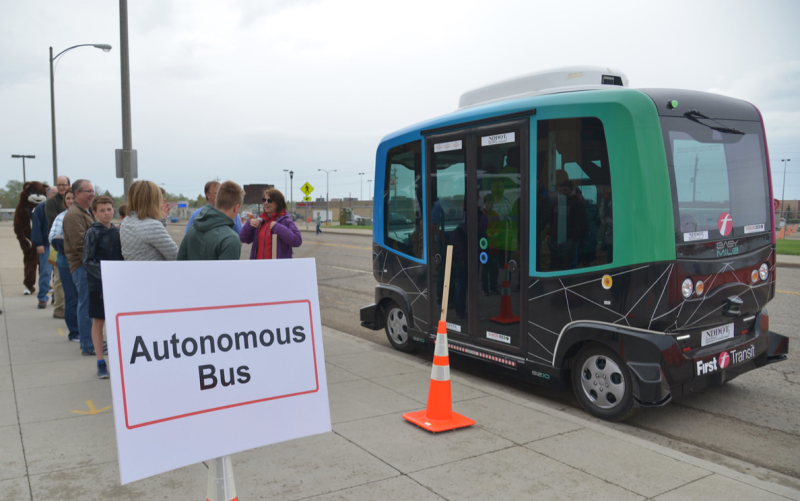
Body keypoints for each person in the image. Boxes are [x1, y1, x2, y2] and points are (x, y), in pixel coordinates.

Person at [83, 196, 123, 378]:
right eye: (102, 210)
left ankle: (117, 359)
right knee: (99, 321)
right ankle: (100, 361)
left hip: (117, 283)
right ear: (95, 213)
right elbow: (87, 260)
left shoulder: (118, 231)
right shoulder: (93, 232)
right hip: (98, 283)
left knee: (117, 322)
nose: (106, 213)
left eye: (109, 209)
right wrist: (105, 275)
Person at [63, 179, 97, 355]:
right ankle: (88, 345)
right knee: (86, 307)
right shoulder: (75, 214)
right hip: (83, 268)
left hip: (87, 267)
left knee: (89, 306)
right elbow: (80, 245)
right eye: (88, 191)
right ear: (77, 193)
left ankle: (92, 342)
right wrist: (95, 267)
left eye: (93, 190)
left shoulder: (85, 212)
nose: (92, 194)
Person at [178, 181, 243, 261]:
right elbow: (227, 272)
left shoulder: (192, 229)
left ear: (216, 201)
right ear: (236, 208)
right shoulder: (231, 239)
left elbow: (180, 262)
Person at [49, 189, 80, 343]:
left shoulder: (86, 215)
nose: (70, 201)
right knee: (71, 296)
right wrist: (69, 248)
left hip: (81, 262)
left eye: (73, 198)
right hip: (66, 261)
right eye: (67, 198)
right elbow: (53, 238)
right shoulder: (61, 217)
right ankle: (74, 332)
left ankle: (83, 329)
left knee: (83, 297)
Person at [120, 181, 179, 261]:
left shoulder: (126, 221)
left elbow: (150, 239)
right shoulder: (152, 226)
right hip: (153, 271)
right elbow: (174, 255)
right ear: (152, 201)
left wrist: (160, 220)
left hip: (134, 271)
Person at [240, 188, 301, 259]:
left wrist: (279, 228)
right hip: (258, 267)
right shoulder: (259, 220)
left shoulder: (286, 221)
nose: (265, 203)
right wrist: (248, 225)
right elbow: (243, 238)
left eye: (269, 200)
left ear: (278, 203)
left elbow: (297, 241)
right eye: (264, 200)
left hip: (277, 268)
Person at [45, 175, 71, 318]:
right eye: (59, 184)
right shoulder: (51, 203)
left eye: (64, 184)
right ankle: (59, 307)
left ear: (69, 184)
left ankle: (70, 306)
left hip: (73, 245)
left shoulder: (74, 199)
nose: (61, 187)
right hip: (57, 244)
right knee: (59, 276)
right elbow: (53, 220)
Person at [31, 186, 57, 308]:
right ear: (48, 195)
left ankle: (56, 297)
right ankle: (42, 297)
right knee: (45, 272)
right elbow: (36, 227)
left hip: (58, 245)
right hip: (45, 245)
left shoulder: (61, 207)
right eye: (54, 193)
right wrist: (38, 243)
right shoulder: (40, 209)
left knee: (58, 274)